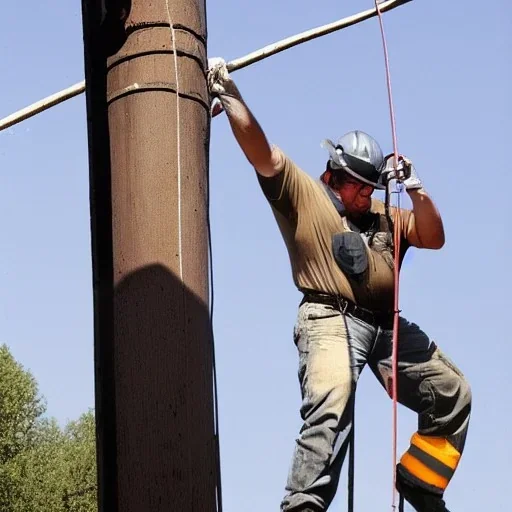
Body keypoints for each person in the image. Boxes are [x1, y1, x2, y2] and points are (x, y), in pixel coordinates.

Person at [207, 57, 471, 512]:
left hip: (387, 328)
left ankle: (421, 482)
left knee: (453, 392)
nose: (367, 195)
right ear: (336, 174)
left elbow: (434, 237)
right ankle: (303, 505)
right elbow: (262, 153)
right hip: (328, 317)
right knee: (333, 399)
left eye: (372, 187)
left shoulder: (388, 216)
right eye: (359, 187)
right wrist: (231, 96)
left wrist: (416, 190)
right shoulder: (305, 194)